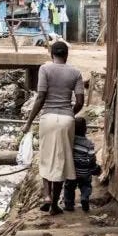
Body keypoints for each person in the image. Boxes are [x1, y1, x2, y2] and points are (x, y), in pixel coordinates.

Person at [22, 41, 85, 215]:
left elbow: (41, 96)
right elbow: (80, 102)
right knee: (61, 161)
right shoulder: (76, 73)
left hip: (48, 118)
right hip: (66, 120)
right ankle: (55, 206)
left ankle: (47, 196)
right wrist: (69, 113)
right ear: (66, 55)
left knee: (46, 156)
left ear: (51, 55)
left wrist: (28, 122)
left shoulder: (45, 69)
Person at [63, 117, 99, 212]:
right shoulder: (89, 143)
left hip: (72, 170)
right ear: (85, 129)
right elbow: (91, 157)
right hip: (84, 171)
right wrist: (94, 168)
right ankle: (84, 198)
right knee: (86, 185)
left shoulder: (70, 141)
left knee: (69, 187)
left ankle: (69, 204)